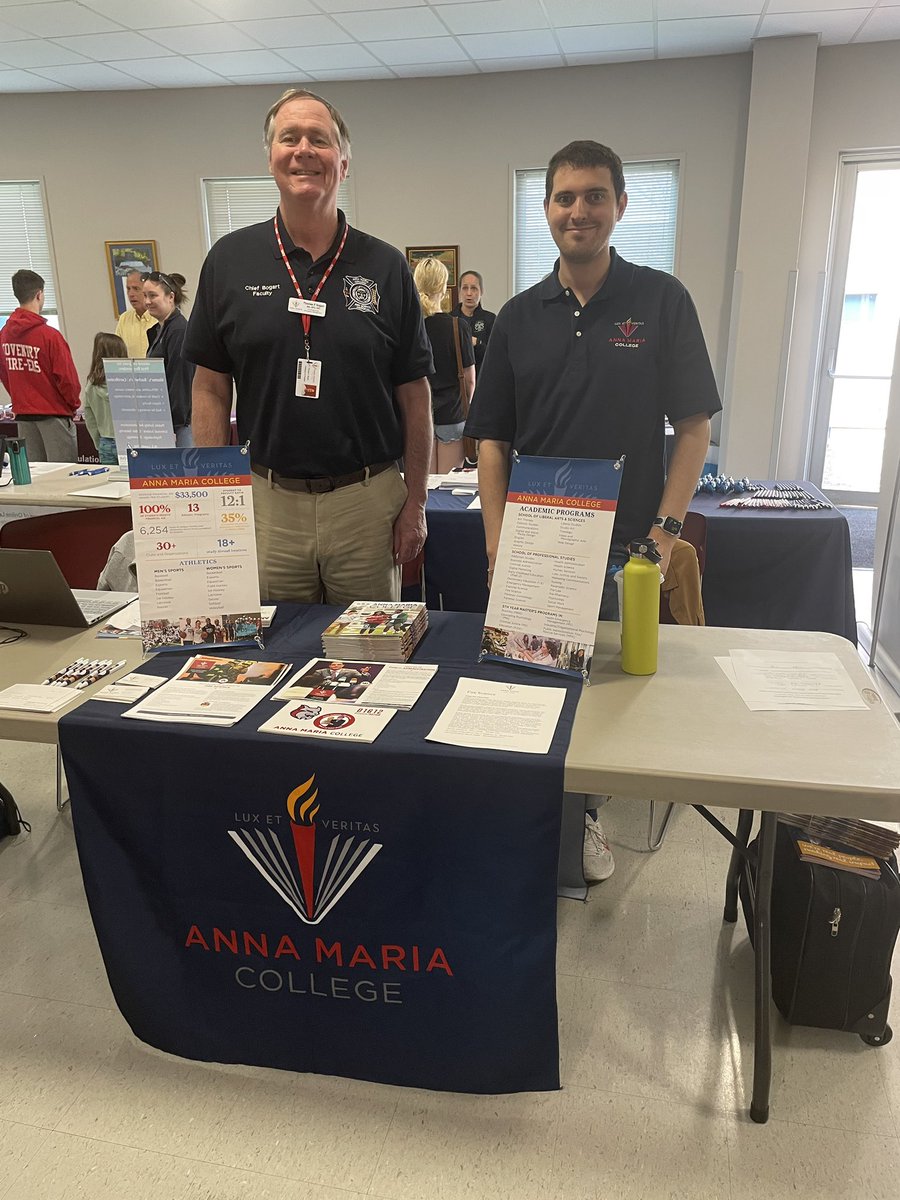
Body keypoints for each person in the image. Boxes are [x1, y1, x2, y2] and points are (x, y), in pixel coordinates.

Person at [465, 139, 722, 883]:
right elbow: (492, 442)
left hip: (625, 551)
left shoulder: (661, 301)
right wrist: (494, 541)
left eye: (594, 196)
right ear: (546, 209)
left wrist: (664, 535)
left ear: (620, 206)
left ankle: (587, 818)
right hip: (535, 545)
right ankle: (546, 823)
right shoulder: (516, 316)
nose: (580, 210)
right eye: (565, 197)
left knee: (609, 709)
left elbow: (695, 428)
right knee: (537, 693)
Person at [184, 87, 433, 606]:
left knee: (367, 661)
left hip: (366, 504)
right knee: (272, 655)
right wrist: (213, 492)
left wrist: (416, 503)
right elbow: (210, 386)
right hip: (267, 504)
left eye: (318, 139)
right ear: (270, 156)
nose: (303, 150)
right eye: (288, 137)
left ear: (343, 163)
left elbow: (416, 394)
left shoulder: (386, 267)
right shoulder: (229, 261)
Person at [0, 270, 79, 462]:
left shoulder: (4, 334)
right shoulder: (50, 336)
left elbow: (5, 373)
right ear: (39, 295)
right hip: (54, 414)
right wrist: (72, 405)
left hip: (24, 415)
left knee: (35, 478)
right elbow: (67, 379)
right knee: (63, 475)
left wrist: (20, 397)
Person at [413, 256, 475, 473]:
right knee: (448, 488)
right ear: (444, 287)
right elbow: (469, 380)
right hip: (453, 414)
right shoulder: (458, 326)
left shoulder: (410, 328)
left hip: (419, 416)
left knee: (426, 488)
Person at [143, 271, 194, 447]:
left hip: (178, 425)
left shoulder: (178, 331)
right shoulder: (159, 331)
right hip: (164, 420)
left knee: (185, 473)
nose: (147, 301)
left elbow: (180, 381)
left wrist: (172, 424)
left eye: (153, 295)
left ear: (170, 297)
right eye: (145, 296)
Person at [83, 331, 128, 464]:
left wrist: (98, 442)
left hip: (105, 441)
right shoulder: (127, 384)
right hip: (127, 440)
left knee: (111, 481)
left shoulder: (91, 385)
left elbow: (89, 418)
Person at [452, 270, 496, 372]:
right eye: (465, 288)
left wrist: (478, 343)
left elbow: (496, 355)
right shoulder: (450, 319)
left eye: (474, 288)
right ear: (459, 291)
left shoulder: (491, 319)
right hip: (456, 380)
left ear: (482, 291)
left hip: (483, 378)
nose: (469, 293)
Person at [114, 271, 157, 359]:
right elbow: (117, 353)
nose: (131, 294)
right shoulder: (124, 319)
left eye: (136, 288)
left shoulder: (159, 318)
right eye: (128, 289)